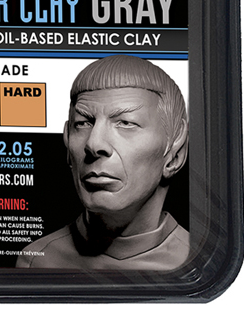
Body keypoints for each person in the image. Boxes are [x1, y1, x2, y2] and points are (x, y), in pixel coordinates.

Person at [16, 55, 189, 270]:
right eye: (82, 123)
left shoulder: (201, 262)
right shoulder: (37, 261)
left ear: (175, 155)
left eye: (126, 123)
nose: (93, 144)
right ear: (67, 145)